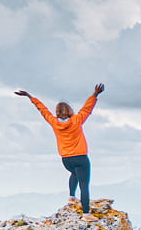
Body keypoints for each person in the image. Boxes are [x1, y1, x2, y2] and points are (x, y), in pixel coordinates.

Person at [17, 83, 104, 217]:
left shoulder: (54, 122)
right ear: (69, 110)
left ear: (57, 112)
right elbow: (87, 108)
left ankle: (71, 197)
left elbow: (43, 110)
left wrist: (30, 97)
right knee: (84, 185)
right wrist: (95, 95)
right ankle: (86, 215)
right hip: (80, 157)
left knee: (74, 174)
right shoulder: (76, 120)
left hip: (66, 159)